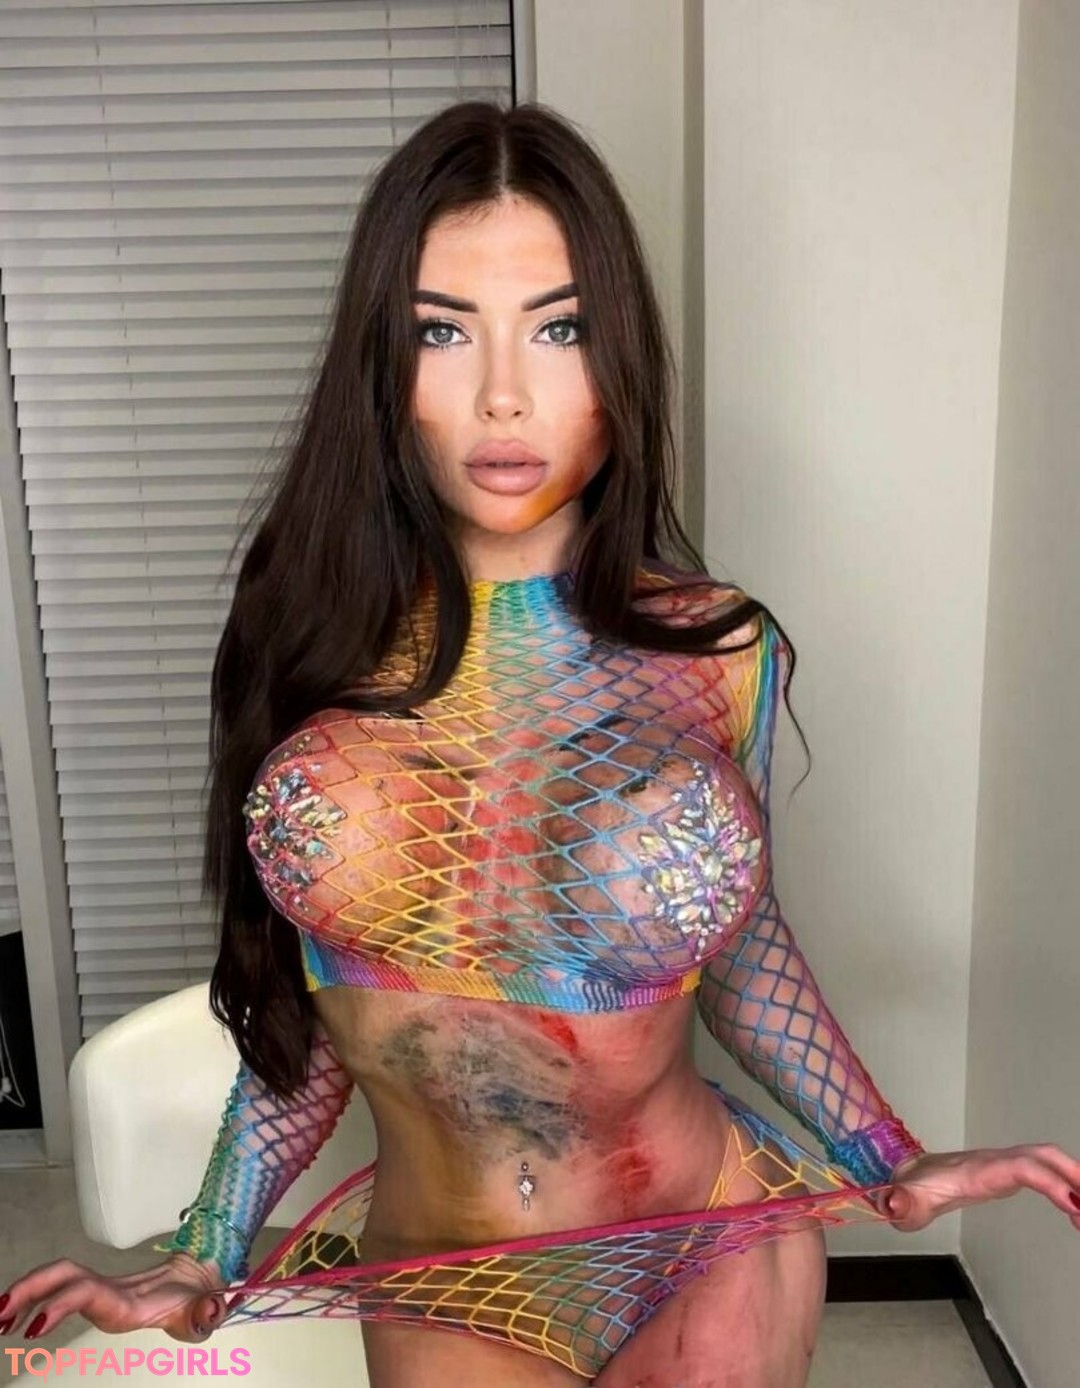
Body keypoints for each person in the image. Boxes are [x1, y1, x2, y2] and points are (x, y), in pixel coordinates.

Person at [2, 99, 1078, 1388]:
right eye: (443, 331)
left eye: (559, 329)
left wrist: (887, 1156)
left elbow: (741, 950)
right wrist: (204, 1250)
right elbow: (305, 1018)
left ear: (619, 363)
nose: (504, 395)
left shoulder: (722, 650)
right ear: (381, 367)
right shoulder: (306, 642)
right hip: (441, 1272)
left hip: (703, 1233)